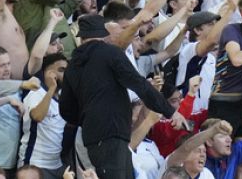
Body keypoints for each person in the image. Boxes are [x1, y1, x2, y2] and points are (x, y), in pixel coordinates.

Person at [60, 14, 176, 178]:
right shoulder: (110, 53)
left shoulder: (72, 65)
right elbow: (139, 84)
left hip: (93, 138)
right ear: (103, 33)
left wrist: (89, 117)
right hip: (113, 133)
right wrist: (170, 111)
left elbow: (66, 110)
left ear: (82, 37)